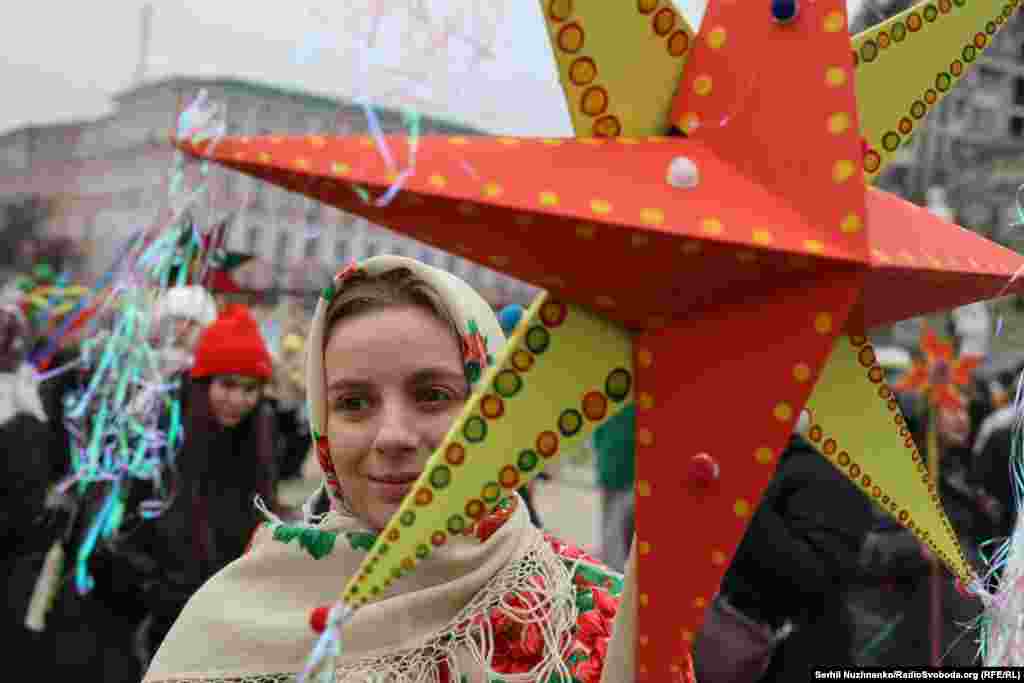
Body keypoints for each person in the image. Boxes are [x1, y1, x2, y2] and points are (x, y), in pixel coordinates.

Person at [143, 256, 658, 683]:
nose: (392, 435)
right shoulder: (234, 622)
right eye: (354, 402)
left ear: (492, 403)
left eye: (433, 395)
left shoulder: (603, 617)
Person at [42, 303, 282, 679]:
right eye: (228, 385)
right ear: (204, 383)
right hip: (140, 622)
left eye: (250, 388)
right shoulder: (157, 438)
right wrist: (154, 587)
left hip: (211, 625)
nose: (239, 400)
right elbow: (115, 529)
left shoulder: (257, 445)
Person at [694, 433, 873, 680]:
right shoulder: (757, 454)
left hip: (792, 657)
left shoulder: (827, 471)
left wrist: (733, 502)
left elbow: (814, 580)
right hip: (729, 643)